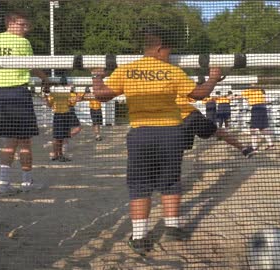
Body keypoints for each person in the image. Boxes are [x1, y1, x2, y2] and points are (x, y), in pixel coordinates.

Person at [91, 24, 222, 256]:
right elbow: (200, 94)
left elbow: (101, 96)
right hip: (172, 134)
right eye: (169, 51)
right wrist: (213, 78)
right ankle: (173, 226)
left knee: (140, 185)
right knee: (171, 181)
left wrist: (97, 77)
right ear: (160, 48)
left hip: (142, 135)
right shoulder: (172, 71)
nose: (170, 55)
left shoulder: (128, 70)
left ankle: (140, 237)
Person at [0, 11, 51, 194]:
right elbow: (32, 66)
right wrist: (46, 79)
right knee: (23, 142)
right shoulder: (23, 42)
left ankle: (4, 183)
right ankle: (25, 182)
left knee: (9, 142)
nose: (26, 28)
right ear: (10, 23)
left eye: (26, 25)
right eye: (22, 24)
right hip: (18, 93)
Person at [176, 94, 255, 158]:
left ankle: (172, 172)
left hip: (175, 121)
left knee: (178, 148)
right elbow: (198, 95)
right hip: (191, 117)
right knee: (218, 131)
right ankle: (243, 148)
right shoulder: (176, 88)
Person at [235, 84, 274, 151]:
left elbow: (238, 97)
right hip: (263, 109)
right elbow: (265, 99)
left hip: (256, 109)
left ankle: (254, 147)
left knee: (253, 128)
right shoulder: (260, 90)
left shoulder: (248, 91)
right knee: (263, 127)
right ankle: (270, 144)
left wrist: (231, 97)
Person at [44, 85, 75, 162]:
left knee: (57, 137)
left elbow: (49, 105)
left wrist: (45, 98)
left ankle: (56, 154)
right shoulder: (67, 93)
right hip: (64, 115)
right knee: (61, 137)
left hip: (58, 115)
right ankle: (59, 155)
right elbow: (71, 103)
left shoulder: (53, 94)